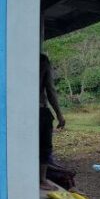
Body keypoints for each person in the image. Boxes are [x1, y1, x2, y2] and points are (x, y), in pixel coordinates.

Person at [40, 53, 66, 190]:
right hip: (40, 109)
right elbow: (50, 89)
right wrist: (59, 115)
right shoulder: (42, 60)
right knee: (44, 147)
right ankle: (42, 179)